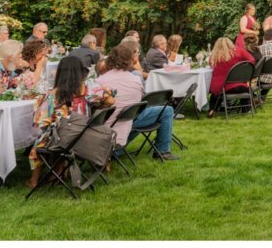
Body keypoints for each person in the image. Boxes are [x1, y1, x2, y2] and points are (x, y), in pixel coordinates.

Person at [26, 55, 114, 188]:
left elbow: (41, 122)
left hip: (63, 139)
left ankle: (34, 181)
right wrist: (96, 106)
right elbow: (111, 101)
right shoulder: (90, 90)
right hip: (84, 134)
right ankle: (59, 171)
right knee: (62, 134)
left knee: (38, 145)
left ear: (61, 73)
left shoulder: (53, 95)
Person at [97, 44, 180, 159]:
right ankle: (163, 151)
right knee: (167, 110)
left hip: (104, 125)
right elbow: (140, 102)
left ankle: (116, 150)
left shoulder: (99, 80)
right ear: (131, 60)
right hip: (127, 120)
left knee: (133, 113)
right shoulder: (135, 80)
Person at [206, 36, 255, 117]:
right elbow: (252, 60)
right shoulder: (239, 51)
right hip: (240, 85)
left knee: (215, 95)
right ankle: (246, 109)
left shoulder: (215, 55)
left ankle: (212, 110)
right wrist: (242, 68)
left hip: (223, 88)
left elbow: (210, 65)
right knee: (247, 90)